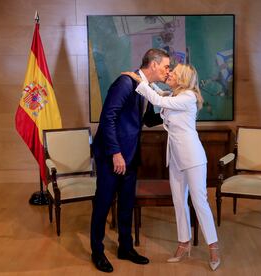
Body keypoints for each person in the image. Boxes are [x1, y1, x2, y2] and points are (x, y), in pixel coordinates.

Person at [122, 63, 221, 271]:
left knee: (199, 202)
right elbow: (161, 94)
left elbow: (157, 99)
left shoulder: (189, 97)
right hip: (175, 157)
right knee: (179, 201)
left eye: (173, 73)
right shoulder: (176, 96)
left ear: (182, 79)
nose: (169, 74)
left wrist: (139, 81)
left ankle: (213, 246)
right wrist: (146, 82)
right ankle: (184, 244)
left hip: (193, 158)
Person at [90, 49, 170, 273]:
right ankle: (97, 251)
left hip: (131, 155)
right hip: (111, 156)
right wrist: (115, 153)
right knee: (103, 204)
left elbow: (146, 119)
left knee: (126, 205)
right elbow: (108, 118)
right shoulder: (125, 83)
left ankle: (125, 247)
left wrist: (170, 107)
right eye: (165, 66)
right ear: (153, 65)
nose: (168, 70)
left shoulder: (145, 88)